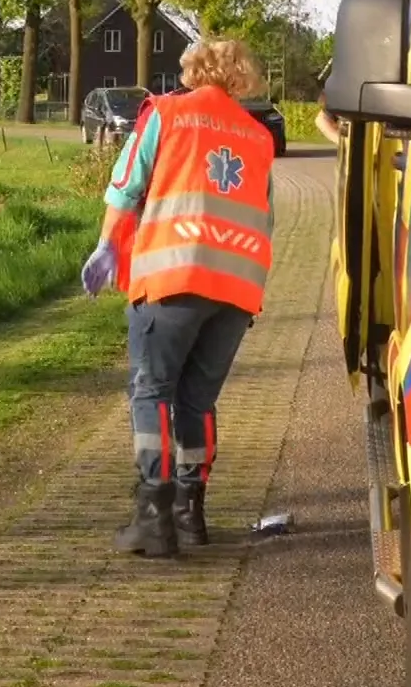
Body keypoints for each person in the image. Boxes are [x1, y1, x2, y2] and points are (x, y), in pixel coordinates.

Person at [80, 39, 277, 557]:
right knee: (198, 401)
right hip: (237, 287)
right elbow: (265, 217)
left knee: (152, 392)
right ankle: (192, 514)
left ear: (192, 72)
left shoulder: (166, 115)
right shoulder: (258, 137)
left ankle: (154, 516)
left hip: (173, 277)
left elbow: (126, 186)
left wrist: (107, 246)